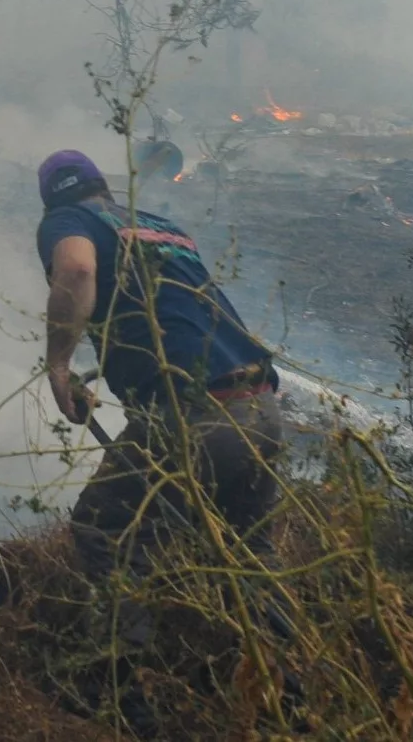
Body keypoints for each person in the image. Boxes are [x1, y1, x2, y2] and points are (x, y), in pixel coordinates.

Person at [35, 147, 284, 555]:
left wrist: (58, 365)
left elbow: (78, 269)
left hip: (196, 413)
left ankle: (131, 621)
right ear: (103, 187)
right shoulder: (164, 228)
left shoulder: (67, 218)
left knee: (103, 532)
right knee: (246, 552)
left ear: (50, 200)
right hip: (260, 407)